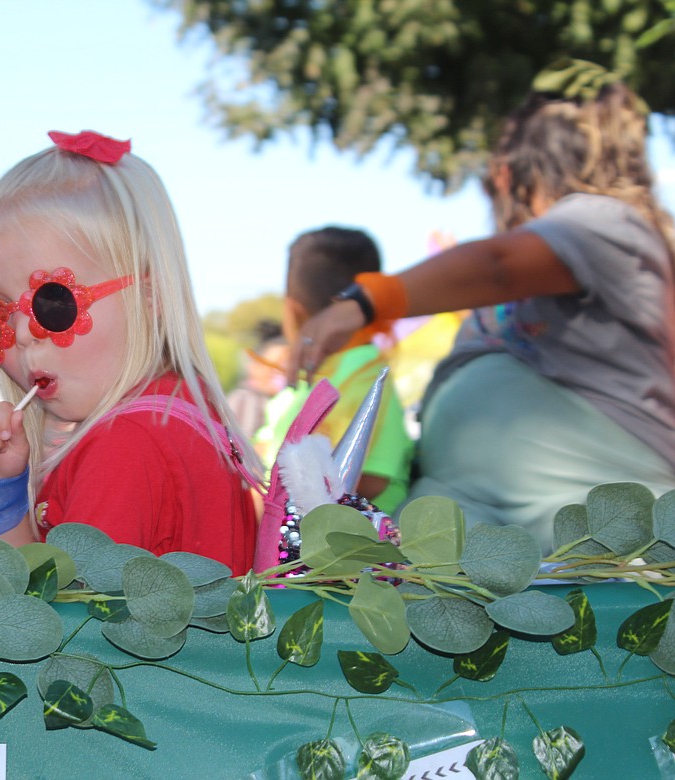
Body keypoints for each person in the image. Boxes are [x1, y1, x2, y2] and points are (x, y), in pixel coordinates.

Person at [285, 60, 675, 553]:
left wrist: (364, 302)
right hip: (467, 508)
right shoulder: (522, 287)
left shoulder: (604, 219)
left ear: (514, 172)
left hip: (585, 500)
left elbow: (496, 265)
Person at [0, 130, 263, 574]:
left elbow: (61, 631)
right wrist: (3, 495)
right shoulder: (177, 414)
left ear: (150, 297)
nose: (21, 334)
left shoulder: (126, 446)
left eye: (52, 303)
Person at [256, 226, 413, 514]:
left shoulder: (365, 373)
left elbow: (372, 478)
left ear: (293, 309)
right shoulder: (312, 377)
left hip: (347, 552)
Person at [225, 320, 288, 441]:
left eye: (286, 366)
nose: (282, 373)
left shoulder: (278, 400)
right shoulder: (244, 400)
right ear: (254, 366)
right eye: (274, 367)